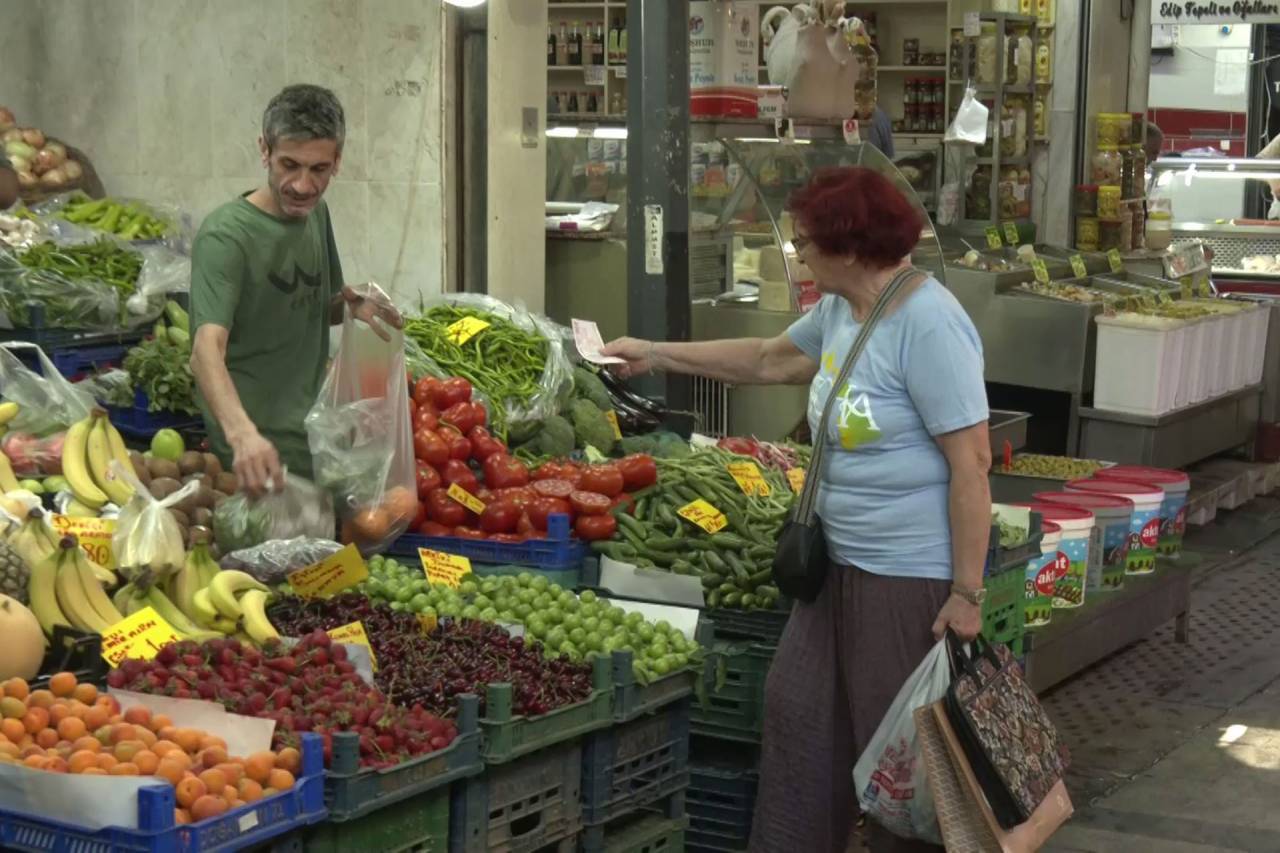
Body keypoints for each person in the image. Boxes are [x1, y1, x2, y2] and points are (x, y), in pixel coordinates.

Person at [602, 166, 991, 853]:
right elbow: (763, 359)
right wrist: (654, 352)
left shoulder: (929, 324)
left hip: (904, 579)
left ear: (848, 247)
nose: (798, 255)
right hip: (830, 567)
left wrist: (966, 590)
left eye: (807, 243)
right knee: (799, 719)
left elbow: (973, 463)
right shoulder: (841, 310)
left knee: (900, 756)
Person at [190, 84, 402, 496]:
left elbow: (312, 307)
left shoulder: (316, 215)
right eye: (289, 164)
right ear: (264, 149)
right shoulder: (226, 236)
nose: (303, 186)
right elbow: (204, 352)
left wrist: (350, 304)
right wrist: (242, 436)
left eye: (318, 169)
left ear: (337, 161)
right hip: (257, 455)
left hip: (313, 438)